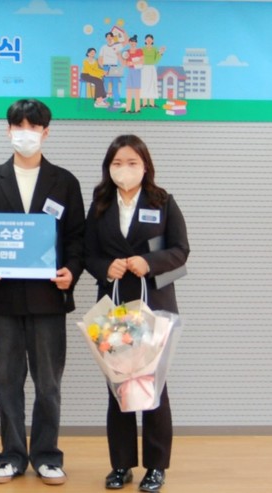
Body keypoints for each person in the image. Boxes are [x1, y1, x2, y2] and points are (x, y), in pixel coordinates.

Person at [0, 99, 85, 486]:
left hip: (48, 299)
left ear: (46, 132)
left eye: (33, 127)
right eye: (19, 126)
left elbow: (76, 238)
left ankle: (47, 455)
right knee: (6, 381)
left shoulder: (64, 181)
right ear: (8, 131)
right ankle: (11, 456)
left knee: (48, 383)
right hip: (2, 299)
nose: (26, 133)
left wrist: (72, 271)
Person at [83, 135, 189, 492]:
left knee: (153, 386)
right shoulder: (100, 204)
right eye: (117, 163)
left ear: (145, 166)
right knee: (119, 387)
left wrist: (149, 262)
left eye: (132, 163)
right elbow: (88, 253)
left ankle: (156, 467)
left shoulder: (163, 201)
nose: (124, 169)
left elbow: (181, 250)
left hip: (154, 306)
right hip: (114, 309)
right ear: (108, 168)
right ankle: (121, 465)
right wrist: (105, 268)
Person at [99, 31, 125, 108]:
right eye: (107, 37)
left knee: (115, 84)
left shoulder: (117, 46)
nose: (109, 38)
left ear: (113, 37)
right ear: (106, 38)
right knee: (105, 84)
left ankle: (116, 101)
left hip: (114, 67)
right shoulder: (103, 47)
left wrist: (120, 30)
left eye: (110, 36)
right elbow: (100, 59)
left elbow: (126, 41)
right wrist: (103, 69)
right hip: (106, 67)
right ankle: (104, 101)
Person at [140, 34, 165, 108]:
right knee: (144, 85)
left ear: (153, 40)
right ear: (145, 40)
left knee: (152, 85)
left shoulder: (155, 49)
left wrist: (161, 52)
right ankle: (144, 103)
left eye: (150, 39)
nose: (148, 41)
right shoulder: (142, 49)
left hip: (152, 68)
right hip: (144, 68)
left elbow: (156, 60)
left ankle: (152, 103)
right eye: (147, 39)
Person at [121, 35, 144, 113]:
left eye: (134, 42)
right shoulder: (126, 52)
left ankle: (137, 109)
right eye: (131, 42)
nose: (133, 43)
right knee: (129, 90)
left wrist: (131, 63)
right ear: (129, 42)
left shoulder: (139, 50)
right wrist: (120, 57)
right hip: (130, 71)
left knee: (137, 90)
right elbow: (124, 64)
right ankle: (128, 109)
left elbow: (142, 61)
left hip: (137, 71)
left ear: (136, 43)